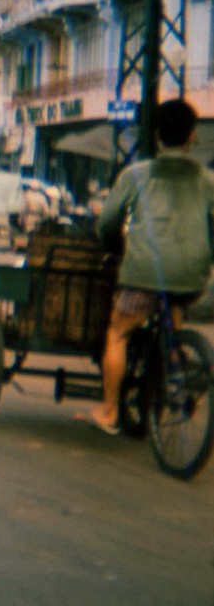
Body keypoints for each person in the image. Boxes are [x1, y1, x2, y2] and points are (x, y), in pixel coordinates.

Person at [81, 99, 214, 435]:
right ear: (192, 136)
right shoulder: (207, 180)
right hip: (192, 278)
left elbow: (108, 222)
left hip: (144, 275)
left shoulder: (136, 175)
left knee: (118, 331)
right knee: (173, 306)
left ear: (156, 136)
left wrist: (111, 241)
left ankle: (110, 412)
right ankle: (175, 363)